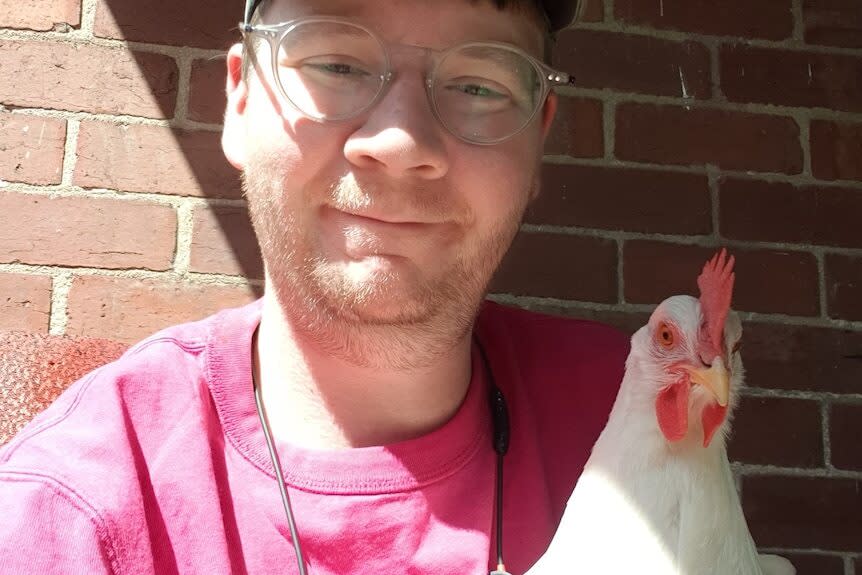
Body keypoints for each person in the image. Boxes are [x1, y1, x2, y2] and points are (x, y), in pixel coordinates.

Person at [0, 0, 629, 573]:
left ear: (538, 137)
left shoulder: (638, 409)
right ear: (240, 99)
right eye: (337, 64)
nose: (401, 143)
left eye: (478, 85)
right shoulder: (74, 519)